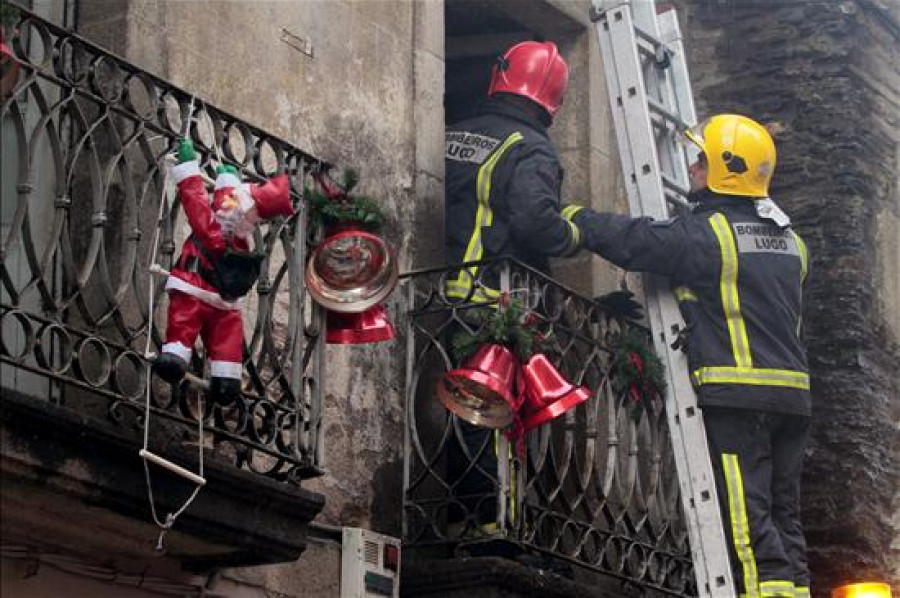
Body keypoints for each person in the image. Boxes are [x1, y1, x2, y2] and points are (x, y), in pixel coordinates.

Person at [571, 114, 811, 597]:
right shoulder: (792, 243)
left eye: (703, 159)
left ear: (726, 168)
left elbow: (638, 241)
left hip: (738, 397)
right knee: (785, 520)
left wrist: (578, 220)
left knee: (745, 526)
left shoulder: (710, 237)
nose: (693, 166)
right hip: (793, 402)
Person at [442, 40, 591, 538]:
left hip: (449, 299)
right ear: (552, 98)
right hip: (496, 305)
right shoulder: (530, 148)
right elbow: (536, 222)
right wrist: (576, 234)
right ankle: (494, 524)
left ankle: (459, 513)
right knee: (496, 418)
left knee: (453, 408)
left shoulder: (455, 133)